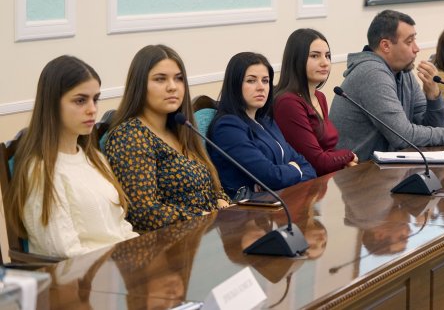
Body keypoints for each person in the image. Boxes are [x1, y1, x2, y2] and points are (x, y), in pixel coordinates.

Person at [5, 56, 137, 258]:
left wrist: (142, 254)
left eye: (95, 99)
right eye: (80, 100)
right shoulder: (41, 170)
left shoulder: (96, 159)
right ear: (52, 104)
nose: (92, 109)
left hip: (119, 266)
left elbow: (121, 228)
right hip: (80, 275)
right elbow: (64, 252)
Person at [330, 9, 444, 161]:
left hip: (391, 167)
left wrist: (433, 96)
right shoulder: (371, 73)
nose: (416, 48)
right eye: (409, 42)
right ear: (385, 46)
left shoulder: (403, 72)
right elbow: (403, 137)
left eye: (415, 40)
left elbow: (432, 127)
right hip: (360, 172)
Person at [105, 45, 230, 232]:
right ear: (139, 85)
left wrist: (221, 200)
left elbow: (211, 187)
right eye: (160, 79)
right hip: (168, 243)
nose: (172, 87)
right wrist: (202, 217)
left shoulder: (180, 128)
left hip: (205, 235)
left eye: (178, 78)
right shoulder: (130, 135)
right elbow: (143, 212)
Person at [208, 52, 316, 197]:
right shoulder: (227, 127)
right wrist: (294, 171)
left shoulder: (266, 121)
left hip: (282, 199)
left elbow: (308, 168)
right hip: (250, 208)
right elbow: (272, 177)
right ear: (234, 85)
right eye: (251, 81)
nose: (261, 87)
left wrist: (285, 177)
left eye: (265, 81)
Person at [274, 28, 358, 176]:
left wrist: (344, 161)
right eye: (315, 56)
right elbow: (317, 162)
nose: (325, 63)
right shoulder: (288, 103)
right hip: (305, 184)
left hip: (326, 179)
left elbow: (328, 150)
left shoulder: (319, 97)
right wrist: (348, 155)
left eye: (327, 56)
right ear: (296, 60)